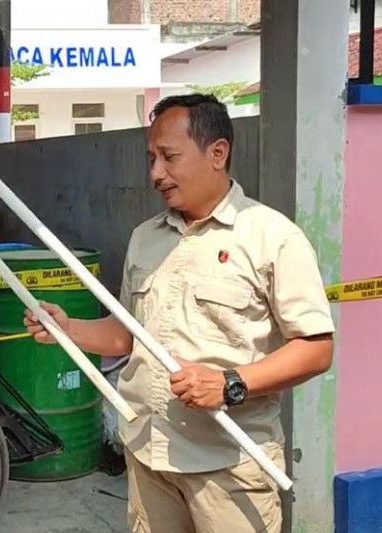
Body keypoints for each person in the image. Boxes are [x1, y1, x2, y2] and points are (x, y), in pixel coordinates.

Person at [24, 94, 334, 533]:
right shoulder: (145, 238)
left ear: (217, 153)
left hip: (228, 466)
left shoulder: (272, 237)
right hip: (150, 456)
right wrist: (68, 329)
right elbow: (128, 334)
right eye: (151, 159)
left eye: (169, 157)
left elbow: (316, 348)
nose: (155, 174)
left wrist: (231, 383)